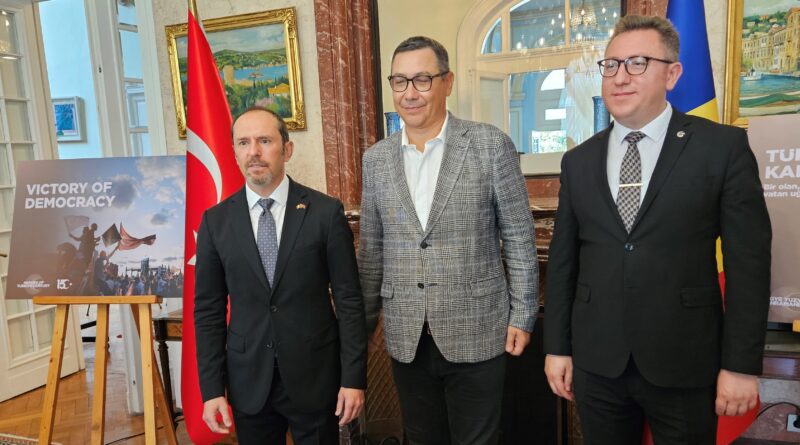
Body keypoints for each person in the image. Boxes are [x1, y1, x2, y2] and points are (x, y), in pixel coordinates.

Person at [543, 15, 771, 445]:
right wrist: (557, 346)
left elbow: (749, 265)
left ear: (672, 73)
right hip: (597, 362)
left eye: (637, 63)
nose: (620, 77)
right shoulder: (578, 161)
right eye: (611, 65)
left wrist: (740, 365)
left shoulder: (721, 148)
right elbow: (563, 262)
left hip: (685, 359)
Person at [358, 36, 538, 444]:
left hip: (478, 327)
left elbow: (519, 238)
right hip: (406, 333)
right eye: (400, 81)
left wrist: (522, 314)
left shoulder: (490, 145)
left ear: (447, 82)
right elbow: (372, 252)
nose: (410, 93)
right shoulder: (376, 159)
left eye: (422, 79)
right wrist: (364, 326)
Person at [194, 106, 367, 444]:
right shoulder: (216, 222)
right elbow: (208, 312)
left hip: (315, 377)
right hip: (248, 380)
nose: (254, 152)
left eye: (264, 141)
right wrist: (212, 389)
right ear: (234, 153)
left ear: (287, 149)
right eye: (244, 143)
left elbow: (349, 301)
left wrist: (353, 379)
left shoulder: (324, 213)